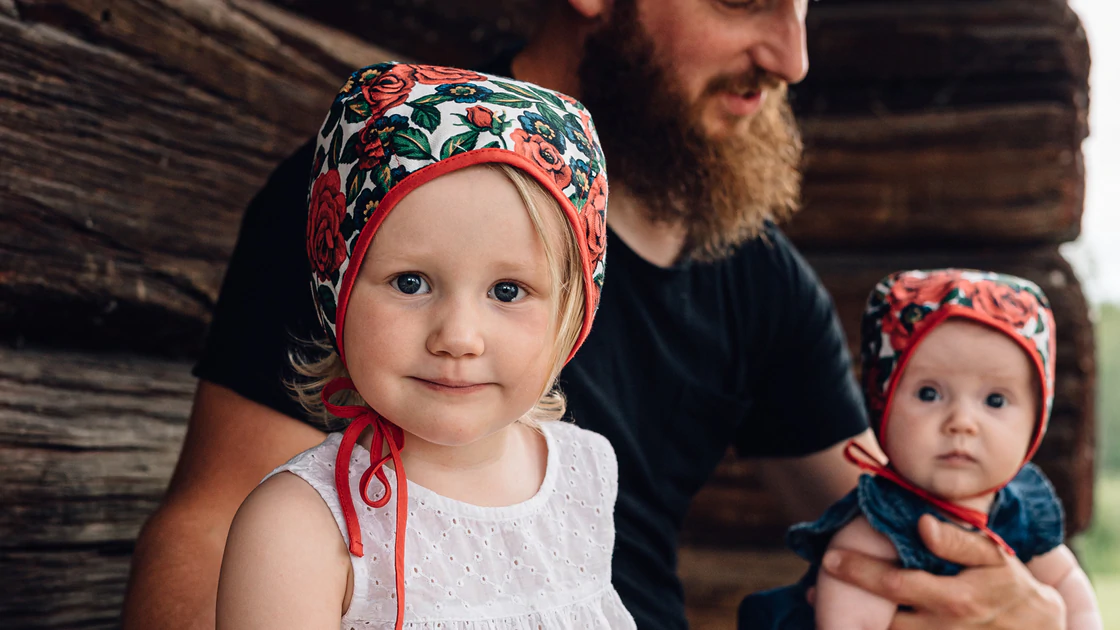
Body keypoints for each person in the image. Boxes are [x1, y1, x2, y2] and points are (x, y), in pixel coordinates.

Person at [122, 1, 1069, 628]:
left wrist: (1023, 601)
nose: (794, 55)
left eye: (513, 290)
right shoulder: (383, 200)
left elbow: (896, 506)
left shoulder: (756, 274)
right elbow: (214, 535)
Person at [213, 62, 635, 629]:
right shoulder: (301, 527)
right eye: (410, 282)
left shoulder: (583, 478)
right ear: (336, 289)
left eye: (507, 290)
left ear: (571, 311)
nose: (458, 337)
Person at [738, 269, 1101, 630]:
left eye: (994, 400)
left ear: (1036, 421)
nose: (962, 421)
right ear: (883, 404)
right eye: (929, 393)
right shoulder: (880, 527)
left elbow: (1067, 582)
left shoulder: (1021, 512)